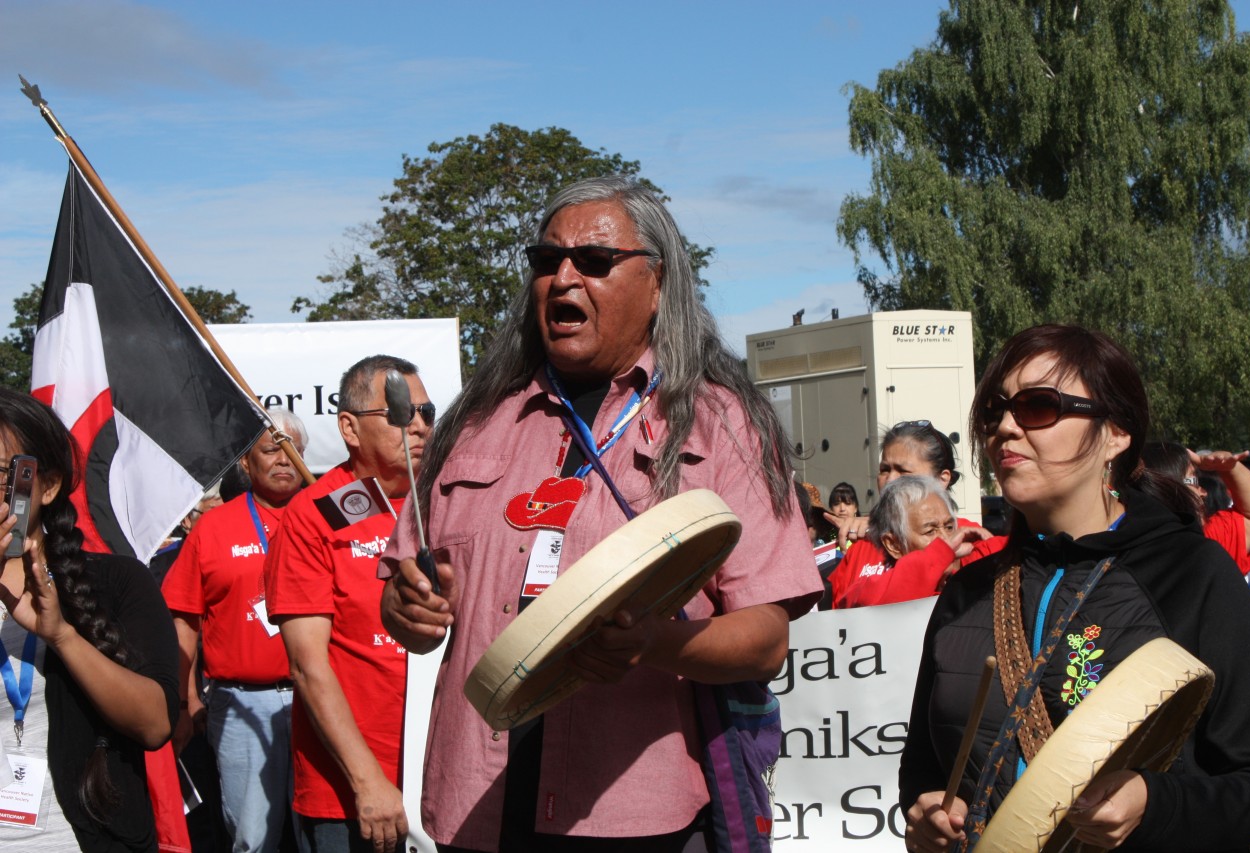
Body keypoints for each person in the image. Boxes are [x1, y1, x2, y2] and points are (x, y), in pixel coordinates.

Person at [379, 175, 821, 852]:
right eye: (545, 261)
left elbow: (766, 637)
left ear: (657, 284)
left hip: (635, 815)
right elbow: (403, 602)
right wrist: (404, 608)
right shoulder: (469, 424)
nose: (562, 279)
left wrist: (653, 644)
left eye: (593, 261)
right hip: (478, 805)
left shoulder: (721, 422)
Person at [900, 325, 1250, 852]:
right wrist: (926, 816)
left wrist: (1155, 802)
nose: (1006, 427)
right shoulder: (966, 592)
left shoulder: (1193, 575)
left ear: (1116, 432)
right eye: (994, 410)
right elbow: (922, 770)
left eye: (1038, 406)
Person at [264, 356, 433, 853]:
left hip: (438, 773)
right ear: (349, 427)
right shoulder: (312, 517)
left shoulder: (446, 499)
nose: (418, 425)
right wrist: (368, 783)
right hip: (352, 792)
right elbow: (307, 665)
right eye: (402, 412)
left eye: (427, 411)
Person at [0, 387, 179, 851]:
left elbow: (155, 724)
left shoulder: (117, 582)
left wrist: (61, 636)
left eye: (3, 474)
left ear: (49, 484)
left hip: (73, 837)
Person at [162, 408, 309, 853]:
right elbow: (184, 620)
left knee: (321, 834)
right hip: (241, 702)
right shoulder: (212, 528)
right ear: (246, 462)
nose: (285, 460)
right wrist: (187, 700)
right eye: (272, 450)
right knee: (252, 838)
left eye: (294, 452)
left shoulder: (328, 520)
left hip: (319, 701)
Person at [828, 421, 1001, 608]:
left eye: (904, 471)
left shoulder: (972, 540)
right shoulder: (859, 544)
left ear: (942, 479)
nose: (891, 480)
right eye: (885, 470)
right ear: (891, 543)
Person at [1140, 440, 1250, 574]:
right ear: (1166, 489)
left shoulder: (1210, 538)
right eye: (1194, 480)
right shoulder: (1130, 558)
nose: (1203, 492)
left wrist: (1229, 467)